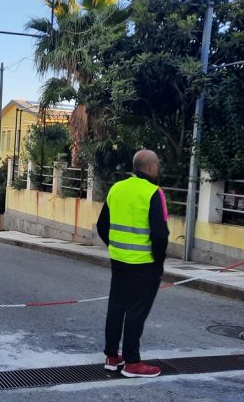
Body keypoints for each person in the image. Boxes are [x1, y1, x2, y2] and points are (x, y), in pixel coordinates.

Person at [96, 149, 169, 378]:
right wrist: (158, 264)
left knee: (116, 307)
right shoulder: (153, 193)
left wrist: (116, 246)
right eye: (156, 165)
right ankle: (132, 363)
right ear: (149, 168)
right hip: (144, 264)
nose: (157, 169)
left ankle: (112, 356)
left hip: (119, 260)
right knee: (137, 311)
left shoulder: (116, 188)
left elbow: (101, 225)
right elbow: (159, 235)